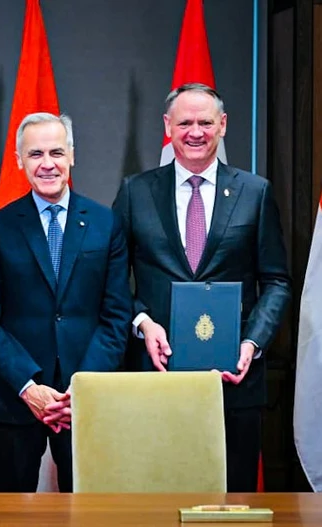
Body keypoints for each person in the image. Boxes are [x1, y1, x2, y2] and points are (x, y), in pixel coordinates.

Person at [112, 83, 291, 492]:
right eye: (185, 122)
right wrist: (142, 322)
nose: (196, 132)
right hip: (157, 376)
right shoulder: (135, 191)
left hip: (234, 380)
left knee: (233, 501)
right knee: (157, 496)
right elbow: (110, 278)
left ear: (223, 125)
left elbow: (277, 281)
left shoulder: (255, 191)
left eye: (206, 122)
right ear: (168, 127)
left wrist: (252, 342)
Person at [0, 112, 131, 492]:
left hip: (86, 398)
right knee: (9, 517)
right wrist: (30, 387)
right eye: (35, 153)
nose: (47, 164)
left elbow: (116, 315)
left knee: (90, 514)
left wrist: (81, 387)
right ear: (19, 160)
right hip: (13, 398)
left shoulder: (106, 223)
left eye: (56, 152)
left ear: (72, 155)